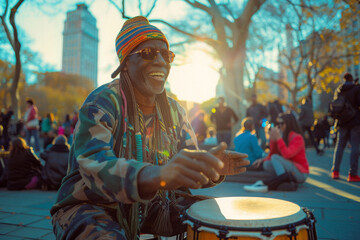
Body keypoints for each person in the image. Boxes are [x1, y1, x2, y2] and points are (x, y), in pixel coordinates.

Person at [51, 16, 249, 239]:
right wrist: (159, 175)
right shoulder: (102, 102)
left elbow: (185, 169)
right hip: (91, 205)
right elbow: (94, 167)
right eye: (148, 53)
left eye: (166, 55)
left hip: (155, 205)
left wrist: (209, 168)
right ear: (125, 62)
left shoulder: (175, 110)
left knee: (217, 225)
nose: (161, 62)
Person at [244, 113, 309, 192]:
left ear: (288, 124)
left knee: (275, 158)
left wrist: (278, 138)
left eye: (282, 123)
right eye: (278, 123)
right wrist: (272, 140)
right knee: (267, 163)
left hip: (300, 173)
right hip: (290, 169)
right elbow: (272, 153)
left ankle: (282, 182)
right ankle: (282, 181)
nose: (280, 126)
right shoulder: (283, 136)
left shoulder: (297, 138)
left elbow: (287, 155)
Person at [331, 73, 360, 182]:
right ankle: (352, 174)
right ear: (352, 79)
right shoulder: (356, 88)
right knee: (355, 147)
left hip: (342, 122)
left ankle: (335, 171)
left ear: (344, 79)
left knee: (339, 146)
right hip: (355, 121)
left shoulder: (339, 90)